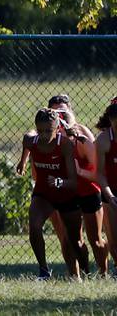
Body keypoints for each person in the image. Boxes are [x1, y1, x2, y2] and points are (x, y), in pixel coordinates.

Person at [16, 108, 85, 280]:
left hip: (66, 195)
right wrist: (22, 162)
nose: (44, 135)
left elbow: (73, 182)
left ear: (57, 129)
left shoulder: (65, 145)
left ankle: (86, 272)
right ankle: (44, 271)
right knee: (34, 226)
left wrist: (59, 182)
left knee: (75, 241)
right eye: (40, 131)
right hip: (43, 194)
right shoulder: (31, 141)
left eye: (48, 131)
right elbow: (27, 142)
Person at [48, 94, 106, 276]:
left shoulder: (81, 132)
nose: (61, 116)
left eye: (64, 111)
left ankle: (103, 272)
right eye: (56, 112)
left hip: (88, 188)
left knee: (95, 239)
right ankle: (76, 275)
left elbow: (97, 168)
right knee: (68, 238)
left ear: (71, 112)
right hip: (66, 191)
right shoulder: (48, 137)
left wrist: (80, 171)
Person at [94, 97, 117, 277]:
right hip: (111, 191)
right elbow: (99, 174)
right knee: (114, 237)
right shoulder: (103, 140)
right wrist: (109, 195)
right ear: (110, 121)